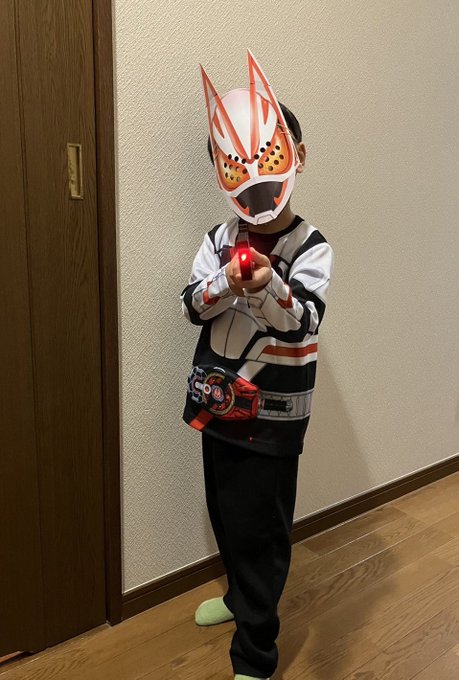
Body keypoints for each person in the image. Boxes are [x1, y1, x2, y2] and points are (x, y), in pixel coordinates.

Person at [180, 50, 335, 680]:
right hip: (217, 402)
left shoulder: (311, 246)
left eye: (268, 160)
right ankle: (239, 597)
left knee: (263, 528)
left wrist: (268, 284)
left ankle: (256, 652)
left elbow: (303, 321)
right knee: (224, 509)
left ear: (297, 156)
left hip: (273, 416)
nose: (255, 184)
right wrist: (226, 280)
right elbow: (190, 306)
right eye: (236, 168)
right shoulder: (218, 240)